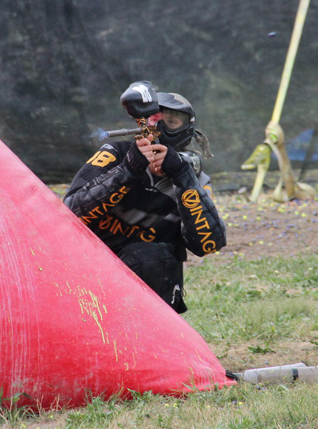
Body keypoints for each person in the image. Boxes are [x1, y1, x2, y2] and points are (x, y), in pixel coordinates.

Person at [64, 86, 226, 313]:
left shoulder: (194, 179)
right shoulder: (115, 154)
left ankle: (149, 329)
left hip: (150, 277)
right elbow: (69, 215)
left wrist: (183, 179)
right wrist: (127, 171)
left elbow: (208, 244)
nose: (161, 128)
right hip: (89, 265)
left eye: (172, 122)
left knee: (150, 257)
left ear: (187, 130)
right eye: (156, 120)